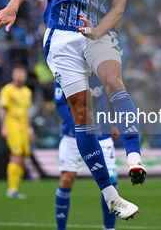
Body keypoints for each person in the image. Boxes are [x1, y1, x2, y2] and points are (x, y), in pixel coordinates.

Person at [0, 0, 144, 220]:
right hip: (60, 34)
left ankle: (134, 158)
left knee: (114, 82)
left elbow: (118, 9)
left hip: (98, 32)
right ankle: (112, 195)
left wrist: (98, 30)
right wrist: (13, 7)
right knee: (83, 118)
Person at [54, 73, 119, 230]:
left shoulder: (100, 68)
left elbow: (112, 94)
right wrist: (78, 126)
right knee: (67, 179)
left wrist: (115, 122)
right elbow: (60, 105)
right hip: (72, 135)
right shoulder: (64, 69)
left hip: (101, 134)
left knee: (110, 179)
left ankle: (109, 228)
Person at [0, 64, 33, 199]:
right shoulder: (7, 90)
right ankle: (12, 189)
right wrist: (3, 126)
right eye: (18, 73)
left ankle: (15, 189)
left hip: (24, 127)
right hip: (12, 125)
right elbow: (2, 109)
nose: (20, 76)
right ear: (13, 75)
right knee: (16, 155)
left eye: (22, 74)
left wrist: (30, 130)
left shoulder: (27, 92)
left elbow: (27, 113)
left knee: (23, 157)